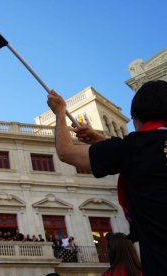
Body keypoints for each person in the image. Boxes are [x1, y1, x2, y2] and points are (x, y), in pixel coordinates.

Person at [47, 80, 167, 275]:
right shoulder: (132, 149)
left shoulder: (133, 147)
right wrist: (100, 141)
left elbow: (66, 152)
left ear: (137, 117)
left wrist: (60, 112)